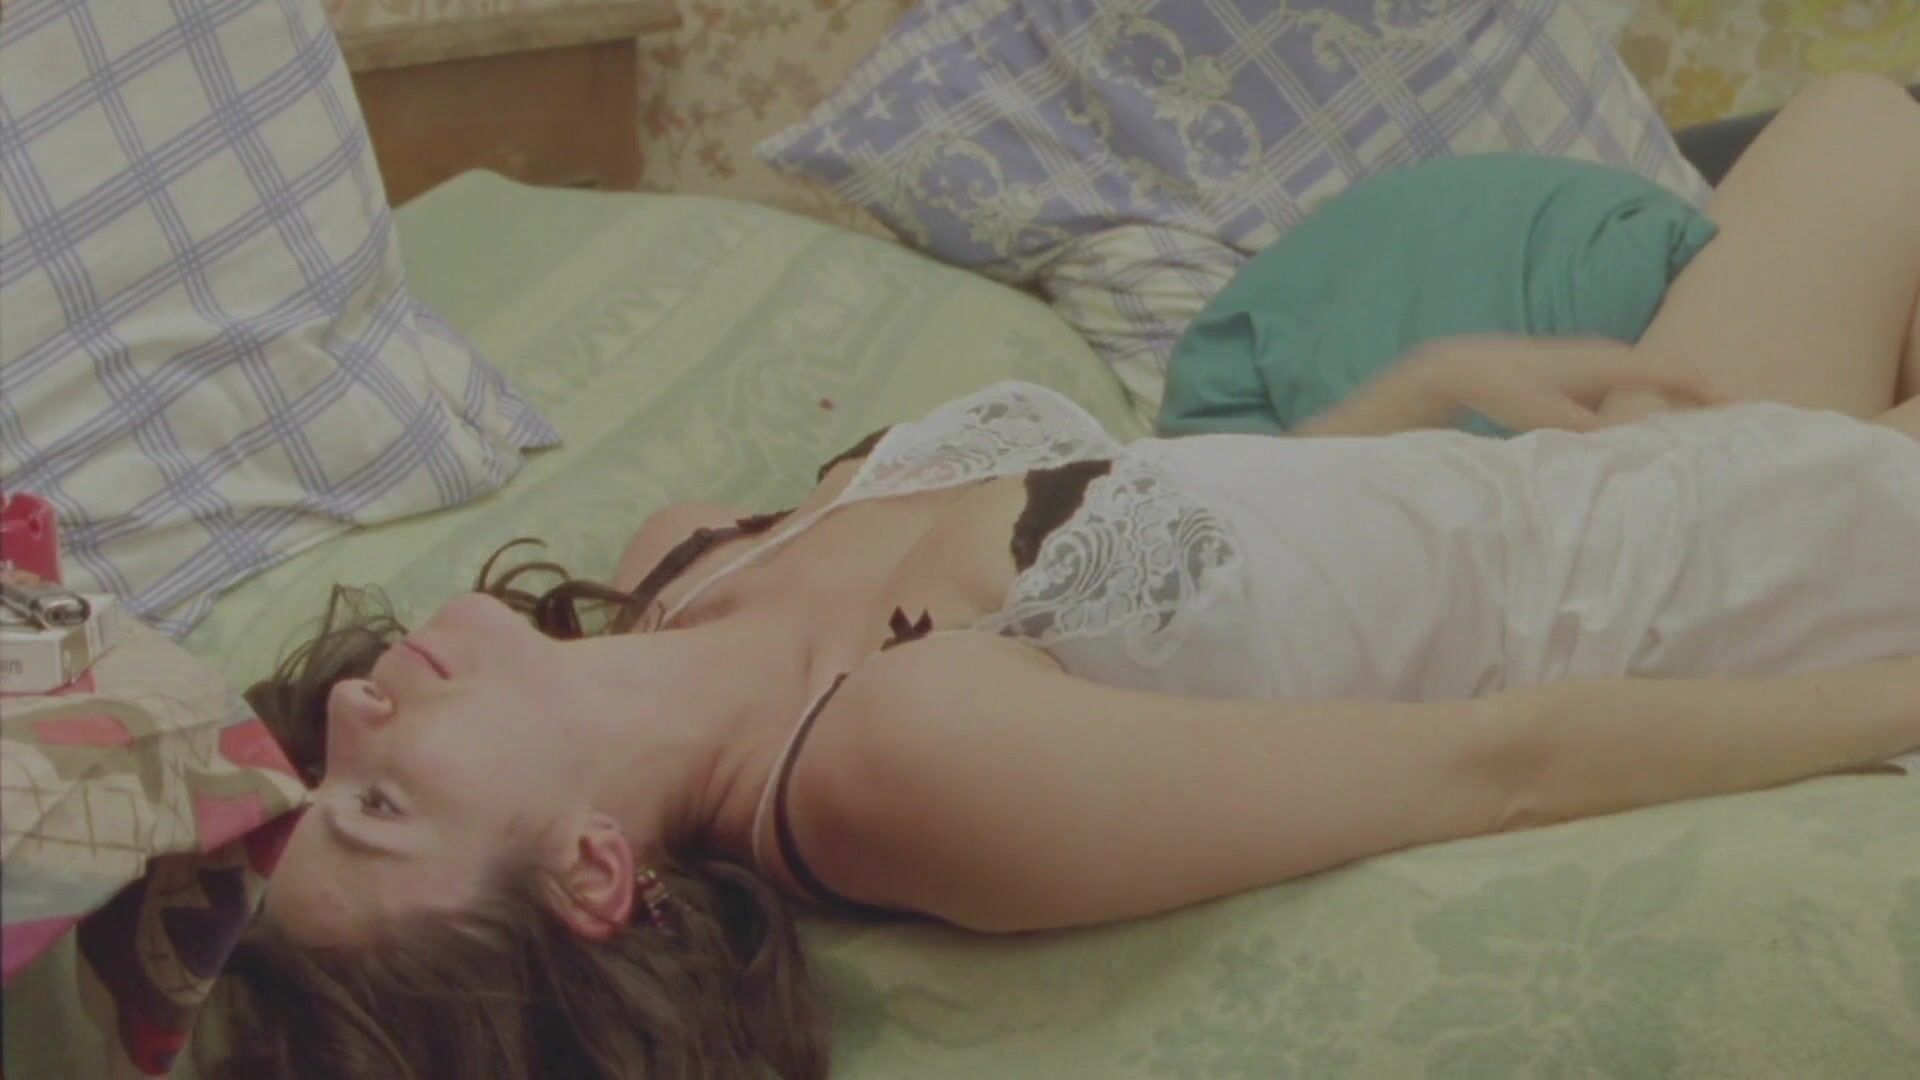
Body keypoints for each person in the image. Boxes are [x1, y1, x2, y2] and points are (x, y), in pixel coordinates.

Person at [211, 74, 1920, 1080]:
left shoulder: (682, 563)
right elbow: (1497, 765)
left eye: (320, 779)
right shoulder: (894, 767)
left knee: (1856, 122)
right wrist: (1894, 702)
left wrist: (1419, 397)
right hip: (1751, 581)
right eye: (381, 806)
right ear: (595, 875)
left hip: (1608, 473)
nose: (353, 715)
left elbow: (1205, 593)